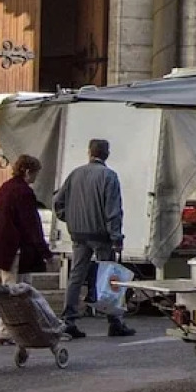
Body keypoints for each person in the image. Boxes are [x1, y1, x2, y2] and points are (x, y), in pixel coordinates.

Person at [53, 139, 135, 340]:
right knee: (109, 277)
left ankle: (68, 320)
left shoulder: (75, 174)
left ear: (89, 152)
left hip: (79, 234)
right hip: (101, 235)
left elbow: (57, 201)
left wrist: (68, 217)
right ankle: (114, 321)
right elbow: (113, 210)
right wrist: (116, 237)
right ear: (107, 153)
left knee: (76, 276)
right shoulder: (109, 176)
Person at [0, 154, 53, 343]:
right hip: (16, 248)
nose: (35, 178)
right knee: (15, 291)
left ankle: (9, 329)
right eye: (35, 173)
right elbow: (31, 224)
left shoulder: (6, 187)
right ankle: (6, 330)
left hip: (3, 246)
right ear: (27, 171)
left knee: (11, 289)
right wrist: (45, 252)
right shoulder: (23, 192)